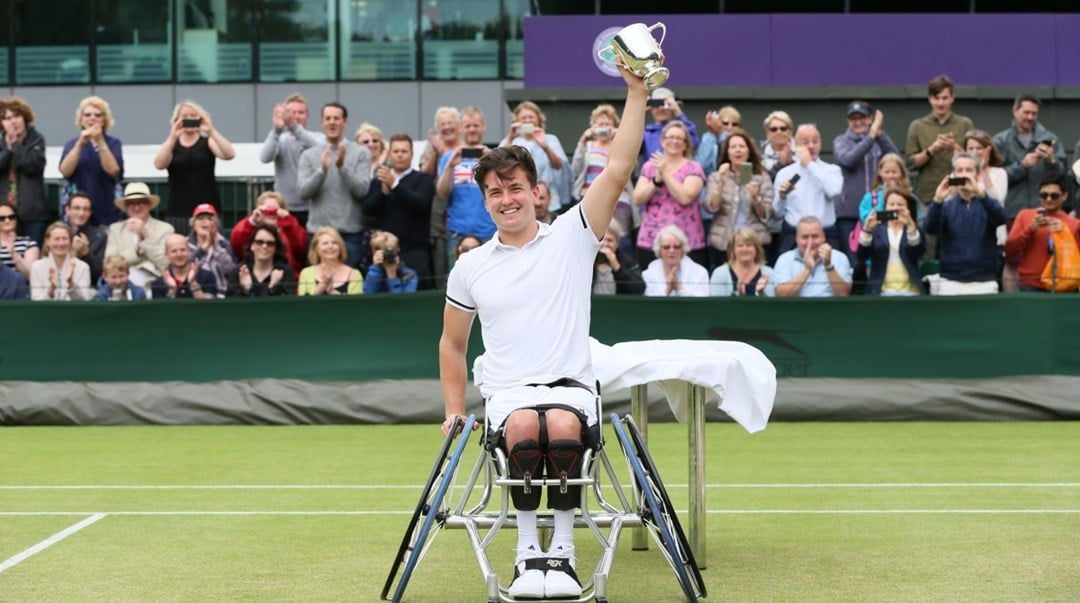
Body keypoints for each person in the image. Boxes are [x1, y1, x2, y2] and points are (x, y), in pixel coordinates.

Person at [438, 59, 646, 600]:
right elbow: (452, 343)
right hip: (507, 393)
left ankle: (565, 554)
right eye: (494, 192)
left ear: (536, 191)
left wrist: (635, 90)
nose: (505, 199)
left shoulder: (573, 234)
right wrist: (454, 409)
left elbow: (619, 167)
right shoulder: (470, 266)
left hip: (572, 387)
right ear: (484, 201)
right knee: (528, 432)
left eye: (514, 188)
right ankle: (529, 554)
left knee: (558, 422)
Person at [298, 102, 373, 269]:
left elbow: (361, 190)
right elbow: (303, 191)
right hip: (318, 234)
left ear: (345, 122)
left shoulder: (361, 153)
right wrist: (321, 171)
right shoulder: (308, 155)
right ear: (321, 122)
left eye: (336, 118)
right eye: (328, 118)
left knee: (348, 288)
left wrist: (342, 167)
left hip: (350, 234)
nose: (332, 122)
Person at [925, 152, 1007, 295]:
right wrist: (937, 200)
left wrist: (981, 193)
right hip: (950, 281)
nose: (964, 174)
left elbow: (1000, 218)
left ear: (977, 174)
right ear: (954, 174)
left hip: (984, 281)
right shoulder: (947, 206)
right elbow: (930, 228)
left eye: (969, 170)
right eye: (959, 170)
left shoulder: (987, 202)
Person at [361, 133, 436, 289]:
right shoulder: (379, 181)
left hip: (416, 252)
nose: (400, 155)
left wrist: (395, 185)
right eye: (396, 151)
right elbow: (367, 210)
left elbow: (421, 204)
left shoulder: (423, 179)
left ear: (412, 155)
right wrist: (383, 192)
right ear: (389, 154)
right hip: (384, 252)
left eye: (404, 151)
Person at [151, 100, 235, 232]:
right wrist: (172, 136)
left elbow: (229, 154)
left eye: (193, 116)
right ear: (176, 120)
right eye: (184, 117)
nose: (189, 119)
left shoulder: (208, 142)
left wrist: (211, 130)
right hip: (178, 210)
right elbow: (159, 164)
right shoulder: (171, 145)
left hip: (207, 208)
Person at [632, 120, 706, 267]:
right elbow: (637, 199)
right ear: (663, 141)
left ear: (686, 144)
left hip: (686, 239)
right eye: (670, 137)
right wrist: (656, 182)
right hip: (651, 238)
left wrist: (665, 174)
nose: (674, 141)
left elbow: (685, 197)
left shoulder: (693, 168)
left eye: (679, 138)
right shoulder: (650, 166)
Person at [834, 101, 901, 263]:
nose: (858, 122)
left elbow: (895, 158)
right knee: (854, 261)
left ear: (870, 119)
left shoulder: (879, 139)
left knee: (879, 258)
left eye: (862, 118)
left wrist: (878, 133)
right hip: (849, 214)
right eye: (853, 119)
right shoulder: (841, 141)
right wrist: (871, 136)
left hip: (877, 211)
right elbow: (849, 160)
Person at [705, 128, 773, 268]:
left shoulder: (762, 177)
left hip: (754, 242)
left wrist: (756, 197)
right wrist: (721, 185)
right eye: (733, 147)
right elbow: (710, 207)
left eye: (742, 146)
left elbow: (766, 214)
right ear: (727, 153)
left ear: (749, 151)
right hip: (724, 243)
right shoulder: (716, 176)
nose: (738, 150)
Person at [436, 106, 494, 269]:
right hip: (457, 231)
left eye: (476, 125)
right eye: (468, 126)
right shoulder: (449, 157)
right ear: (461, 128)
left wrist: (491, 161)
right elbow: (441, 194)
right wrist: (449, 167)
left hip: (489, 231)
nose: (472, 130)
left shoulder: (494, 155)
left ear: (484, 126)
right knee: (456, 284)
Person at [773, 124, 844, 253]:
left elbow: (833, 191)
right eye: (805, 142)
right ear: (795, 145)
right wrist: (782, 197)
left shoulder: (832, 170)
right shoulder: (784, 173)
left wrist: (810, 164)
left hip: (826, 235)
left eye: (815, 141)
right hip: (792, 236)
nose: (811, 146)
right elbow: (777, 214)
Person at [905, 75, 973, 208]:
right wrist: (931, 150)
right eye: (936, 98)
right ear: (930, 99)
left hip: (960, 194)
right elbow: (910, 164)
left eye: (945, 98)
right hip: (929, 196)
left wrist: (955, 148)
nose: (940, 103)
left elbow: (974, 159)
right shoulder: (918, 126)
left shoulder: (965, 123)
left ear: (952, 98)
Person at [1004, 174, 1080, 292]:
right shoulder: (1025, 216)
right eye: (1044, 195)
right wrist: (1030, 229)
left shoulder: (1074, 224)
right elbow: (1009, 250)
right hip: (1030, 285)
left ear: (1064, 196)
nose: (1048, 199)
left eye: (1054, 196)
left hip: (1063, 285)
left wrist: (1066, 234)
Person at [259, 92, 323, 227]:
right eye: (292, 112)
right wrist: (276, 130)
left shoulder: (318, 138)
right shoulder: (279, 139)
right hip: (285, 209)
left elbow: (320, 153)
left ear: (307, 116)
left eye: (301, 112)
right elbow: (265, 157)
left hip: (313, 208)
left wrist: (294, 127)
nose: (296, 117)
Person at [58, 96, 125, 225]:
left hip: (106, 209)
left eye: (97, 115)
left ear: (104, 120)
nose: (92, 118)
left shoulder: (113, 143)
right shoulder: (71, 144)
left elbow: (113, 170)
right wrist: (80, 144)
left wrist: (99, 141)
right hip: (78, 211)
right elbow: (65, 171)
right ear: (81, 120)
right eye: (87, 115)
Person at [571, 104, 633, 239]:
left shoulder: (620, 145)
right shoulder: (588, 146)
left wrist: (622, 138)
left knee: (619, 239)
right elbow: (575, 168)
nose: (604, 127)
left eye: (607, 124)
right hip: (590, 199)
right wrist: (582, 141)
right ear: (593, 127)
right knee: (588, 237)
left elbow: (631, 166)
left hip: (619, 201)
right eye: (600, 124)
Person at [963, 129, 1012, 289]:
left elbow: (997, 201)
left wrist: (982, 171)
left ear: (988, 150)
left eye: (979, 148)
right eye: (970, 148)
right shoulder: (960, 174)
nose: (975, 152)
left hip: (994, 238)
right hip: (967, 235)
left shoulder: (999, 173)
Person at [855, 188, 926, 296]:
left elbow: (917, 252)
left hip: (911, 292)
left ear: (908, 208)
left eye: (900, 204)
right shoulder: (876, 231)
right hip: (882, 292)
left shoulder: (914, 230)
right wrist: (866, 230)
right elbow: (862, 256)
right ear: (885, 207)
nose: (895, 208)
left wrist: (911, 226)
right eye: (891, 204)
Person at [501, 101, 569, 212]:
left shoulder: (550, 139)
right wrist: (510, 137)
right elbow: (499, 163)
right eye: (523, 118)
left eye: (531, 117)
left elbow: (559, 166)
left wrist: (545, 146)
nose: (528, 120)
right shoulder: (512, 141)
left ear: (538, 119)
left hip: (548, 201)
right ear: (517, 121)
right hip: (522, 199)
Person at [105, 182, 175, 288]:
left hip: (155, 283)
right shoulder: (115, 229)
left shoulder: (165, 229)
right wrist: (137, 252)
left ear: (149, 205)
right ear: (126, 207)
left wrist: (145, 238)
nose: (137, 207)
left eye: (141, 203)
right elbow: (109, 262)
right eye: (131, 203)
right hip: (122, 283)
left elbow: (166, 263)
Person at [0, 96, 48, 245]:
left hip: (32, 215)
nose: (13, 121)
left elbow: (32, 165)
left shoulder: (37, 140)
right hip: (4, 215)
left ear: (25, 118)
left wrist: (15, 144)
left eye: (16, 116)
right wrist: (7, 150)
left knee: (31, 259)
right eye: (7, 118)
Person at [230, 190, 308, 274]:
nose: (271, 213)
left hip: (287, 276)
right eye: (267, 209)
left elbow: (301, 249)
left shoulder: (289, 227)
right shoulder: (252, 227)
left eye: (275, 210)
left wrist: (288, 222)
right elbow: (237, 245)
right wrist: (251, 222)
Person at [774, 216, 853, 298]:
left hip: (829, 308)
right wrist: (807, 270)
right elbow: (781, 295)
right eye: (805, 237)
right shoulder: (785, 259)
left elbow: (843, 294)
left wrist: (828, 266)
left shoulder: (840, 258)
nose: (810, 242)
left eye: (815, 236)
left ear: (823, 237)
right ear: (797, 239)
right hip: (796, 309)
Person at [29, 222, 93, 301]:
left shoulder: (83, 267)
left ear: (70, 241)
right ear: (47, 241)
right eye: (57, 239)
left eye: (65, 239)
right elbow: (35, 302)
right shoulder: (37, 267)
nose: (61, 243)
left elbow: (84, 302)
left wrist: (71, 284)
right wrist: (51, 290)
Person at [227, 225, 296, 297]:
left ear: (275, 248)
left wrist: (273, 289)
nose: (264, 246)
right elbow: (230, 305)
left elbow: (289, 305)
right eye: (259, 242)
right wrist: (246, 290)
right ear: (252, 246)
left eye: (270, 243)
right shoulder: (239, 271)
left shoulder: (285, 272)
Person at [642, 224, 709, 297]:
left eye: (676, 247)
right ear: (659, 250)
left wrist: (678, 287)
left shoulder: (700, 273)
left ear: (682, 249)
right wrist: (667, 290)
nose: (671, 251)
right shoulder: (648, 275)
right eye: (666, 247)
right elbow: (650, 306)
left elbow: (701, 305)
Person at [709, 227, 777, 297]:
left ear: (756, 249)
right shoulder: (720, 273)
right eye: (740, 246)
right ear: (733, 250)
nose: (744, 249)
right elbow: (718, 305)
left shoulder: (768, 273)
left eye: (749, 245)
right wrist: (738, 295)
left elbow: (771, 305)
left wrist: (760, 293)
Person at [297, 226, 363, 295]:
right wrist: (321, 287)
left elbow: (356, 304)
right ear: (316, 248)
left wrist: (333, 293)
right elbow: (302, 304)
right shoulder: (306, 273)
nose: (330, 246)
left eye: (334, 243)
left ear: (340, 247)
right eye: (325, 243)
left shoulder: (354, 274)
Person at [187, 203, 235, 297]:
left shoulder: (224, 244)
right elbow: (184, 267)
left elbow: (229, 270)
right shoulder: (185, 243)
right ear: (193, 223)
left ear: (216, 224)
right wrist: (202, 249)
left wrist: (215, 245)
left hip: (220, 294)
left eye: (210, 219)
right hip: (192, 292)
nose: (205, 222)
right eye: (201, 219)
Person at [149, 234, 218, 299]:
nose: (179, 254)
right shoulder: (158, 283)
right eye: (174, 251)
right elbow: (162, 310)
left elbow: (208, 308)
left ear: (190, 252)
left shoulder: (207, 276)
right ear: (166, 255)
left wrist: (193, 283)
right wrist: (172, 290)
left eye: (183, 250)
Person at [857, 153, 917, 226]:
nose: (890, 176)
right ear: (880, 173)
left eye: (894, 172)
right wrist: (884, 199)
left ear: (901, 173)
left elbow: (916, 219)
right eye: (887, 172)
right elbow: (866, 220)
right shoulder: (869, 198)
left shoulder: (909, 196)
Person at [641, 87, 698, 161]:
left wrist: (678, 112)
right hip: (651, 171)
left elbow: (693, 142)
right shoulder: (647, 133)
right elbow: (631, 147)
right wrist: (640, 112)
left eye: (665, 104)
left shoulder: (680, 130)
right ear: (651, 107)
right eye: (656, 104)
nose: (661, 108)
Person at [64, 191, 108, 285]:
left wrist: (86, 253)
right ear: (68, 210)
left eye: (86, 209)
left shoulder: (100, 236)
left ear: (90, 213)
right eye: (76, 208)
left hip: (89, 286)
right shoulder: (58, 233)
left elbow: (100, 274)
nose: (81, 213)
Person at [592, 219, 644, 295]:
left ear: (617, 244)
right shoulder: (586, 262)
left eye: (610, 240)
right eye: (602, 240)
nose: (605, 244)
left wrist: (617, 268)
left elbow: (639, 290)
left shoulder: (629, 263)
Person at [364, 230, 418, 294]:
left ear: (397, 250)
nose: (387, 256)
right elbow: (368, 296)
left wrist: (392, 276)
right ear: (374, 253)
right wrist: (376, 269)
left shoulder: (409, 274)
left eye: (391, 252)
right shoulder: (372, 273)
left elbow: (403, 302)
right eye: (384, 253)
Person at [695, 105, 741, 180]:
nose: (730, 128)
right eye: (725, 123)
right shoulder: (709, 139)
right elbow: (701, 165)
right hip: (712, 186)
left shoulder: (744, 144)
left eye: (734, 124)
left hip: (736, 186)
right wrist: (711, 132)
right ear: (718, 123)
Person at [0, 200, 39, 279]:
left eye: (11, 217)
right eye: (2, 218)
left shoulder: (29, 243)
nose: (7, 220)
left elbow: (30, 275)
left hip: (20, 289)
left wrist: (13, 253)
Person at [419, 106, 463, 177]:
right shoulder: (432, 145)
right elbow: (424, 175)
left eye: (450, 123)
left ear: (458, 125)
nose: (447, 127)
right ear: (438, 128)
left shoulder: (467, 144)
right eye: (442, 124)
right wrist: (435, 154)